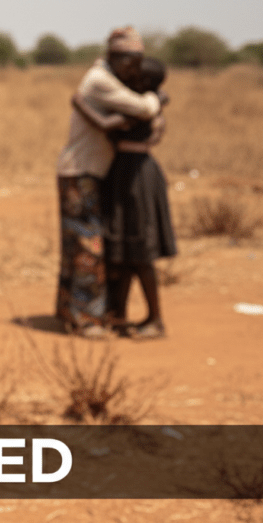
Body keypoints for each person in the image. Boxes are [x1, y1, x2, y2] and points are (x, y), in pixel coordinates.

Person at [54, 26, 165, 339]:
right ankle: (86, 320)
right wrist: (157, 97)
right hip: (82, 170)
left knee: (79, 244)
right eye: (131, 61)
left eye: (139, 62)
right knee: (87, 245)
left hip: (87, 170)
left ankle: (73, 312)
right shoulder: (100, 80)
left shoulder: (104, 77)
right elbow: (144, 108)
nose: (134, 68)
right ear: (115, 57)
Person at [72, 57, 175, 339]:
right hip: (123, 174)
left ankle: (155, 319)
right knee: (122, 251)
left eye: (131, 74)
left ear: (142, 81)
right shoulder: (144, 104)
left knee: (140, 252)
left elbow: (104, 125)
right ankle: (118, 314)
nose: (123, 77)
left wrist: (79, 103)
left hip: (137, 178)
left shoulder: (140, 110)